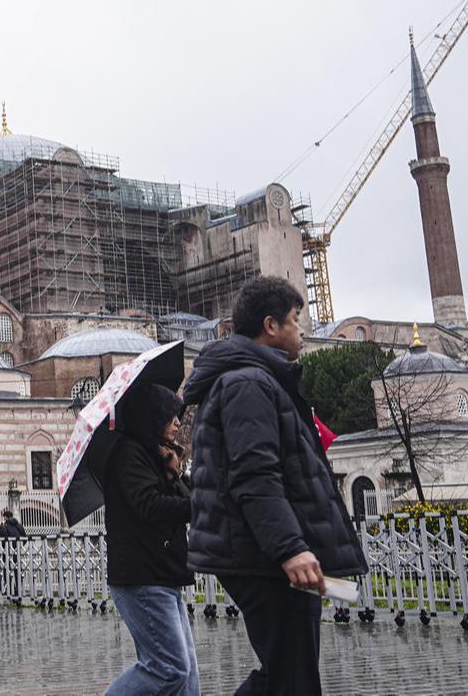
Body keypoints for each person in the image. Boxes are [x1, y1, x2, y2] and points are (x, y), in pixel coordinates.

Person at [185, 276, 368, 696]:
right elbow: (255, 475)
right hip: (264, 555)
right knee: (291, 679)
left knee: (287, 675)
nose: (301, 331)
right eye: (295, 320)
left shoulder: (254, 380)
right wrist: (290, 547)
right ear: (271, 326)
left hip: (263, 550)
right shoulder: (247, 383)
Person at [102, 383, 198, 696]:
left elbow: (184, 499)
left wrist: (175, 473)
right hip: (143, 577)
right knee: (168, 668)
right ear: (151, 416)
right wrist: (199, 505)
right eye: (170, 415)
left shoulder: (157, 456)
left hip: (163, 573)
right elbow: (149, 506)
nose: (177, 422)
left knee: (187, 677)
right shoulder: (130, 454)